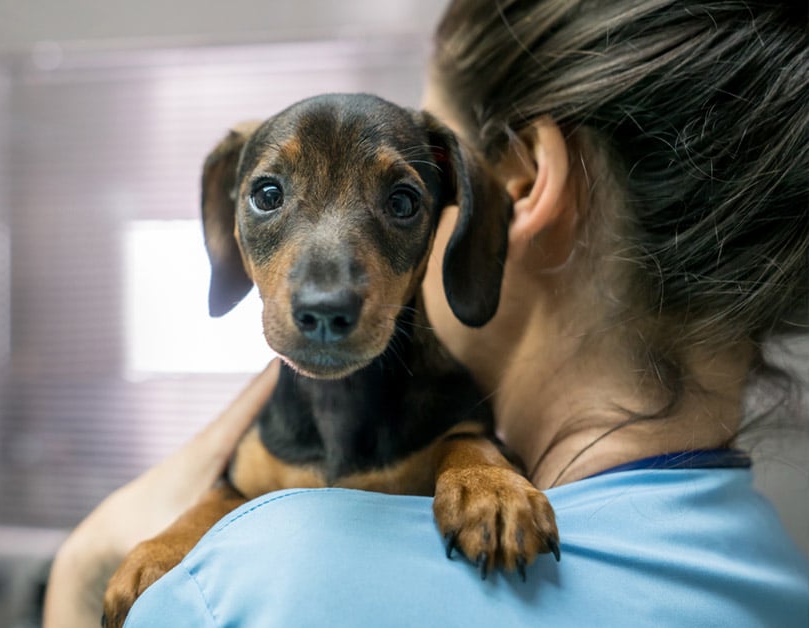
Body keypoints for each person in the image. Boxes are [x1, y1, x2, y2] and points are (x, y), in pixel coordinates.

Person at [44, 0, 809, 625]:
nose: (327, 290)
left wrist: (83, 568)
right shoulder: (781, 575)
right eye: (271, 196)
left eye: (406, 201)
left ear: (515, 188)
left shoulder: (251, 585)